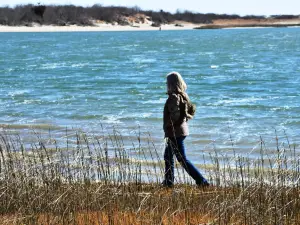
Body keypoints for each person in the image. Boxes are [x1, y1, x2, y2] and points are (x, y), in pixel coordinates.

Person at [162, 71, 209, 187]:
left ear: (171, 84)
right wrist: (183, 121)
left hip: (175, 132)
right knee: (169, 156)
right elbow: (190, 111)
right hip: (181, 131)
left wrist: (169, 125)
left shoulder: (173, 97)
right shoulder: (183, 95)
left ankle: (201, 181)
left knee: (181, 159)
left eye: (167, 82)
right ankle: (168, 182)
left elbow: (175, 115)